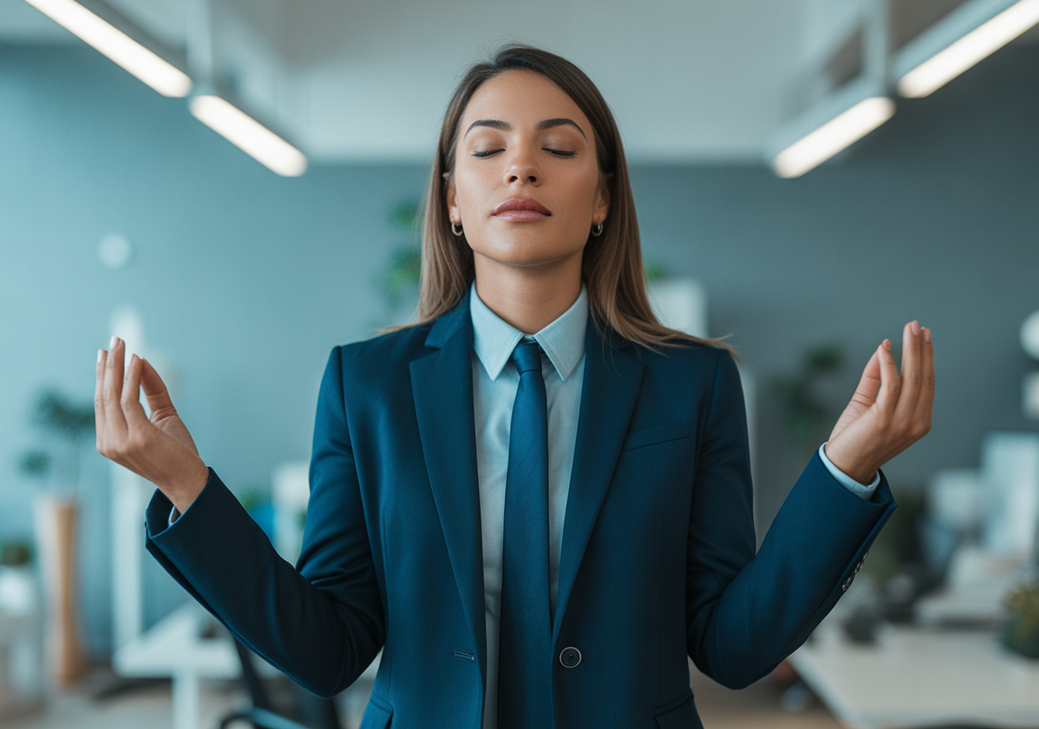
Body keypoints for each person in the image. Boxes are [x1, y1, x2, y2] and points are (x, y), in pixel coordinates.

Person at [95, 45, 934, 729]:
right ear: (453, 199)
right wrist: (185, 485)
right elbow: (329, 649)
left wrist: (843, 471)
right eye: (488, 149)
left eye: (558, 148)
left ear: (601, 196)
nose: (521, 169)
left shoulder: (693, 382)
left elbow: (733, 644)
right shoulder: (367, 385)